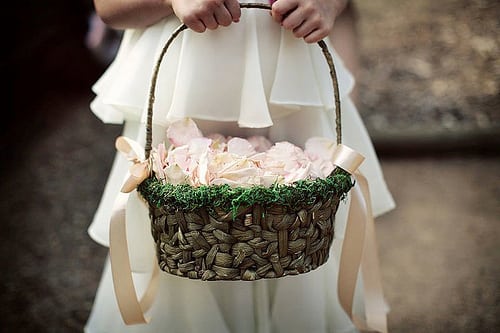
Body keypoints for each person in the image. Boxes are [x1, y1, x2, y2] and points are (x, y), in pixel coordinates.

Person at [85, 0, 396, 332]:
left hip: (292, 85)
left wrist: (328, 5)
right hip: (182, 92)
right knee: (182, 240)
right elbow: (109, 7)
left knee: (303, 235)